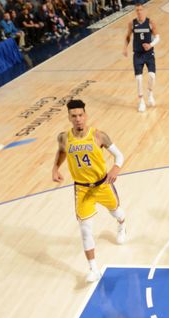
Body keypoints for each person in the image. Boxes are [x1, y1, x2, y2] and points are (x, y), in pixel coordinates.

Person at [52, 99, 127, 282]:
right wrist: (55, 168)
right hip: (82, 190)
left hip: (102, 184)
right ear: (69, 117)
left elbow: (119, 155)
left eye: (80, 115)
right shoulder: (64, 137)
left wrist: (115, 169)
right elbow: (62, 151)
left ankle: (122, 225)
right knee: (85, 230)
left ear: (85, 116)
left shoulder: (98, 136)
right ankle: (93, 268)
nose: (78, 119)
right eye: (73, 116)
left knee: (116, 212)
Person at [122, 2, 159, 112]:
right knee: (139, 78)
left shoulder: (150, 22)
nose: (139, 12)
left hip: (149, 54)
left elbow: (158, 37)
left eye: (140, 10)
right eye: (137, 10)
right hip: (137, 54)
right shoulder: (132, 23)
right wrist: (125, 48)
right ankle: (141, 101)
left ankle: (150, 93)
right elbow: (128, 37)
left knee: (152, 76)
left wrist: (150, 45)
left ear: (144, 10)